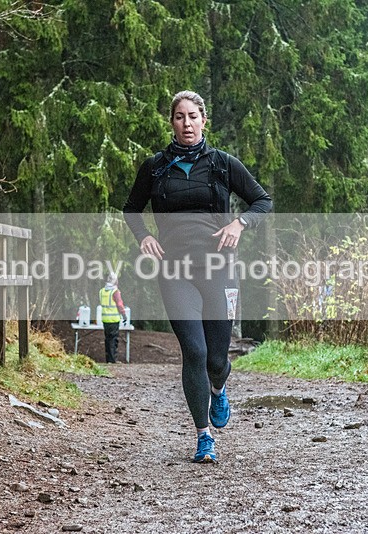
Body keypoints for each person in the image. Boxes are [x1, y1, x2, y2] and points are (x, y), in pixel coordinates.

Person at [123, 90, 272, 463]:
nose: (186, 123)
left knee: (216, 359)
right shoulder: (155, 167)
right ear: (171, 122)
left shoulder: (222, 164)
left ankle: (219, 388)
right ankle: (204, 436)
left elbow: (262, 201)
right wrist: (144, 238)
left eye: (193, 116)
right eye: (179, 117)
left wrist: (240, 223)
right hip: (174, 271)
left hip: (219, 268)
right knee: (194, 350)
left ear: (204, 120)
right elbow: (131, 210)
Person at [99, 273, 127, 364]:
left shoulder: (102, 291)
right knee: (113, 340)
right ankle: (112, 360)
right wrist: (124, 315)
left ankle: (109, 359)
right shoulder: (115, 292)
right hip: (114, 319)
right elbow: (119, 304)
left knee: (107, 339)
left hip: (105, 319)